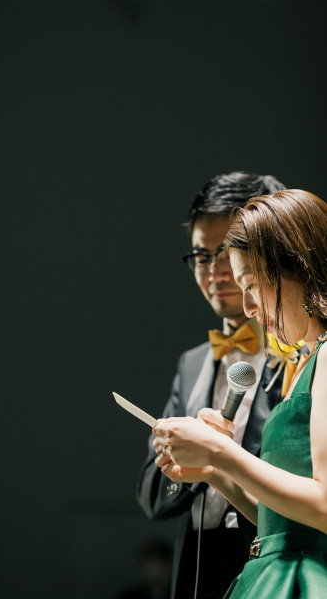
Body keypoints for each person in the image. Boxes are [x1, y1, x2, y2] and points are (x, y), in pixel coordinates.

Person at [153, 189, 327, 598]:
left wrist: (221, 453)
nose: (248, 308)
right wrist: (219, 472)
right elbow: (278, 523)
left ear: (297, 267)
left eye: (251, 284)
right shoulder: (306, 360)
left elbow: (323, 506)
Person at [136, 171, 287, 599]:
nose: (216, 272)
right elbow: (152, 497)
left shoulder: (302, 353)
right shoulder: (192, 363)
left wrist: (223, 457)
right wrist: (184, 466)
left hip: (269, 558)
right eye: (202, 256)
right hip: (196, 563)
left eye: (228, 254)